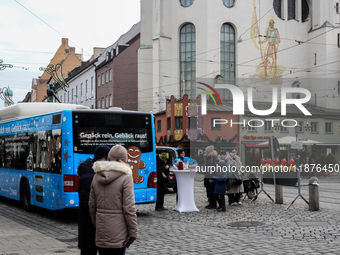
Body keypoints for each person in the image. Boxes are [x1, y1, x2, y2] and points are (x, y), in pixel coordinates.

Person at [89, 145, 137, 255]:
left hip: (101, 231)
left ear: (109, 157)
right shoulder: (126, 176)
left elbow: (91, 206)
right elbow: (129, 207)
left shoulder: (97, 175)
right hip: (118, 232)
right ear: (124, 159)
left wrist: (98, 224)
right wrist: (133, 232)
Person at [78, 145, 110, 255]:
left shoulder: (93, 174)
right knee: (89, 251)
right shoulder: (89, 176)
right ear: (102, 158)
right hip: (89, 225)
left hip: (93, 225)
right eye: (107, 158)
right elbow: (85, 204)